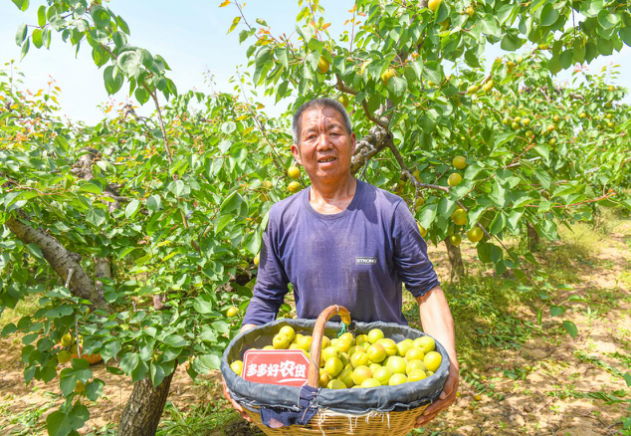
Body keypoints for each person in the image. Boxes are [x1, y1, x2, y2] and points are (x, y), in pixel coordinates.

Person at [223, 97, 458, 427]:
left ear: (351, 142)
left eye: (333, 132)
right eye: (311, 136)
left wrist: (449, 362)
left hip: (383, 393)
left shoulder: (388, 211)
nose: (323, 144)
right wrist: (240, 365)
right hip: (316, 384)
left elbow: (427, 292)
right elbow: (264, 299)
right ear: (295, 152)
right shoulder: (281, 218)